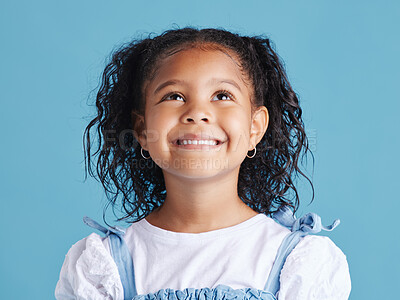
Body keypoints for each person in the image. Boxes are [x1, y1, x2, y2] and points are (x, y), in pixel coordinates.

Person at [55, 27, 351, 300]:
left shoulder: (299, 262)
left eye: (222, 95)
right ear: (143, 131)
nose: (197, 113)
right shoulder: (103, 265)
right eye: (174, 96)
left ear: (255, 129)